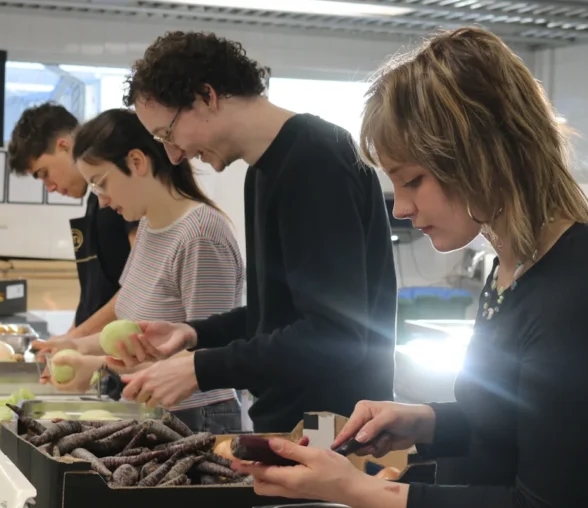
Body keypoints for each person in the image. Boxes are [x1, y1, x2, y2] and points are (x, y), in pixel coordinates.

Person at [232, 27, 588, 508]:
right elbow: (514, 426)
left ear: (481, 156)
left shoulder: (579, 294)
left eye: (413, 180)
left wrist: (361, 490)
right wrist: (425, 421)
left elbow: (546, 502)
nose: (401, 208)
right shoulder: (513, 271)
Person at [111, 31, 399, 433]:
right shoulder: (262, 171)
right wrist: (195, 333)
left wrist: (200, 369)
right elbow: (278, 314)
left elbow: (335, 337)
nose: (173, 154)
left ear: (206, 96)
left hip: (333, 431)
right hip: (290, 424)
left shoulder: (317, 160)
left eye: (167, 133)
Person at [36, 108, 245, 433]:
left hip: (197, 421)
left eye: (101, 183)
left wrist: (95, 367)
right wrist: (76, 346)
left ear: (137, 162)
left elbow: (200, 360)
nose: (102, 201)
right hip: (151, 413)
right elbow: (126, 317)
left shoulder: (201, 236)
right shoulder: (149, 226)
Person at [8, 102, 138, 346]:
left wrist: (75, 338)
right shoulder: (94, 201)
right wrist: (70, 336)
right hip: (100, 352)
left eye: (45, 173)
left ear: (64, 146)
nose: (50, 187)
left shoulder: (123, 198)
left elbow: (140, 286)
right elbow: (96, 294)